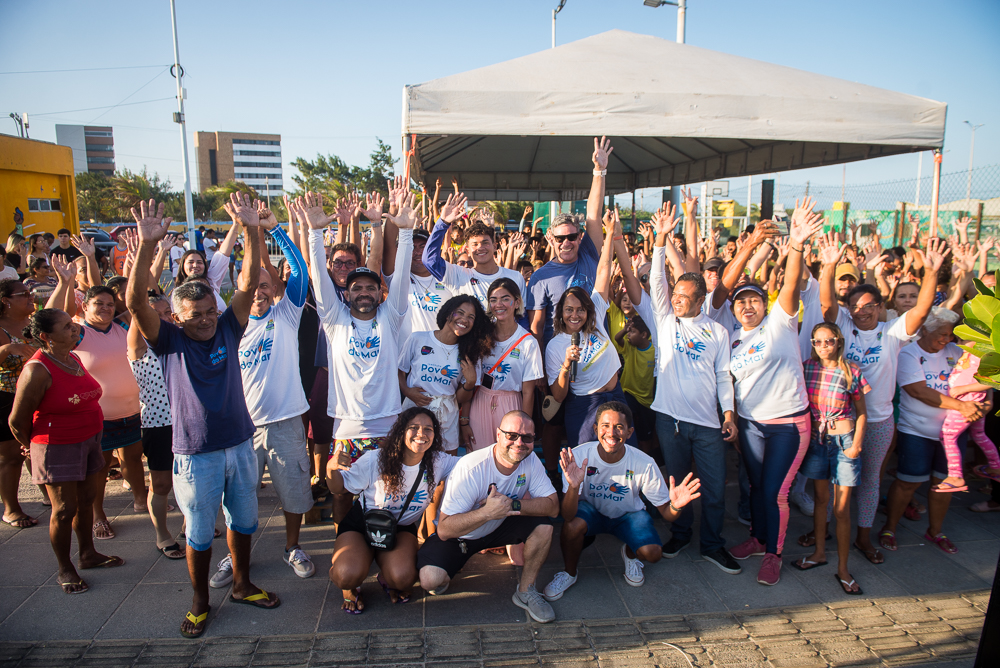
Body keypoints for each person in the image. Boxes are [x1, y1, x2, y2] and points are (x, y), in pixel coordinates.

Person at [126, 195, 277, 640]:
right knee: (197, 532)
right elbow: (135, 301)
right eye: (197, 316)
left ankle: (243, 584)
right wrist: (148, 247)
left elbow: (247, 284)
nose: (208, 321)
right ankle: (199, 602)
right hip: (194, 453)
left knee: (245, 522)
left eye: (212, 312)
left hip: (239, 444)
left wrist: (251, 229)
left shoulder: (230, 325)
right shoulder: (168, 339)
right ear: (177, 316)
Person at [711, 198, 824, 586]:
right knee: (758, 486)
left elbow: (790, 282)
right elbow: (718, 297)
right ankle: (759, 539)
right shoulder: (732, 338)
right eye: (741, 301)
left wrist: (795, 244)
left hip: (788, 426)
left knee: (777, 492)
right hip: (751, 426)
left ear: (765, 303)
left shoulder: (780, 323)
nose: (746, 305)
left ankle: (774, 554)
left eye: (753, 299)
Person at [818, 233, 945, 565]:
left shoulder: (892, 333)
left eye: (869, 306)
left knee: (870, 480)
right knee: (836, 482)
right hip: (840, 421)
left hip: (878, 421)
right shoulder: (842, 326)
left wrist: (931, 271)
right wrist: (829, 265)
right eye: (856, 307)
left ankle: (863, 537)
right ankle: (826, 532)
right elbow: (827, 305)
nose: (862, 312)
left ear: (880, 307)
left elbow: (920, 310)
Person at [293, 189, 415, 519]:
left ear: (380, 293)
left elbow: (401, 276)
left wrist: (405, 233)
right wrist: (314, 233)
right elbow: (318, 275)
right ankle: (346, 543)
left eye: (370, 287)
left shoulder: (391, 318)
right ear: (346, 295)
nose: (363, 292)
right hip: (347, 429)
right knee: (341, 498)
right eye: (356, 288)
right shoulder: (334, 320)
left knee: (389, 496)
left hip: (388, 426)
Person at [646, 202, 740, 574]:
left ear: (701, 300)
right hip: (670, 420)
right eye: (676, 296)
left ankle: (713, 545)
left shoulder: (717, 331)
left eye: (685, 297)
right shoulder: (666, 321)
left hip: (706, 424)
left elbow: (723, 376)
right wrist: (660, 240)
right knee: (677, 483)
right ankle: (681, 533)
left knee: (715, 489)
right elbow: (656, 283)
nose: (677, 301)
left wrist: (728, 414)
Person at [9, 309, 124, 594]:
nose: (75, 330)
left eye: (73, 325)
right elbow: (16, 420)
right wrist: (31, 446)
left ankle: (88, 554)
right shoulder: (37, 370)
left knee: (86, 500)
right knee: (64, 510)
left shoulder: (71, 357)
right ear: (47, 337)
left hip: (89, 440)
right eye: (67, 327)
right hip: (57, 447)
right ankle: (65, 568)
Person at [232, 203, 316, 581]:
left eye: (265, 285)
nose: (259, 292)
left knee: (294, 495)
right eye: (252, 285)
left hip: (285, 424)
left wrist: (275, 228)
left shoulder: (287, 314)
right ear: (241, 288)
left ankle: (292, 547)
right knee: (238, 499)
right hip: (242, 429)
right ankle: (235, 558)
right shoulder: (228, 327)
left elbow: (300, 271)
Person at [543, 402, 702, 600]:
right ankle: (569, 573)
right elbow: (567, 515)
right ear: (595, 429)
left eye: (619, 427)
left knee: (653, 553)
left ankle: (630, 553)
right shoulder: (581, 455)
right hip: (590, 512)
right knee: (572, 526)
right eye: (605, 425)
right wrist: (574, 487)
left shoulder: (644, 462)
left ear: (629, 432)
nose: (611, 433)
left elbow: (667, 515)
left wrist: (675, 506)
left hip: (628, 515)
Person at [417, 410, 559, 623]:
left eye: (527, 437)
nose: (519, 442)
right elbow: (444, 529)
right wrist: (486, 512)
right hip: (461, 535)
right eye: (511, 435)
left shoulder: (530, 461)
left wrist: (512, 504)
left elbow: (553, 507)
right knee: (430, 580)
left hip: (500, 523)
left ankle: (526, 591)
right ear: (498, 435)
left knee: (544, 526)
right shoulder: (472, 467)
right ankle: (449, 567)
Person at [326, 407, 458, 613]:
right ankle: (351, 583)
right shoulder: (375, 459)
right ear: (400, 431)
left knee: (404, 579)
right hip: (362, 525)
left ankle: (386, 577)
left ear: (435, 434)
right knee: (346, 575)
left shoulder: (438, 462)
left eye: (428, 429)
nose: (421, 434)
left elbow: (472, 465)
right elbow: (339, 488)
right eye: (413, 428)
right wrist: (331, 468)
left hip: (400, 528)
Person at [880, 308, 988, 556]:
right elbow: (919, 391)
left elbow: (977, 378)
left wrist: (983, 403)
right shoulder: (908, 353)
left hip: (954, 432)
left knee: (944, 483)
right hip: (916, 430)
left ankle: (935, 531)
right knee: (908, 482)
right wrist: (962, 405)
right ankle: (890, 527)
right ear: (924, 330)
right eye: (941, 334)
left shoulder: (956, 352)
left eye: (950, 335)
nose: (946, 339)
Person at [544, 212, 635, 449]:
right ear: (560, 313)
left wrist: (610, 233)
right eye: (568, 310)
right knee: (586, 464)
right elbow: (559, 396)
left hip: (616, 397)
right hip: (584, 405)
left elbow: (603, 270)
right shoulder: (555, 346)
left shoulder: (596, 316)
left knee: (624, 455)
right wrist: (566, 364)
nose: (575, 315)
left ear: (588, 310)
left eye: (580, 310)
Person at [793, 322, 869, 595]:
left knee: (841, 509)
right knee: (821, 501)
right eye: (818, 342)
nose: (823, 346)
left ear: (838, 341)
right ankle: (819, 553)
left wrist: (857, 444)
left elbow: (862, 412)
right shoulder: (806, 367)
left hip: (844, 442)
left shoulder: (851, 371)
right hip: (817, 441)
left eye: (828, 341)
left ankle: (844, 568)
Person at [126, 291, 184, 559]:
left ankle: (189, 526)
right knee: (161, 484)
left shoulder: (177, 340)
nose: (161, 318)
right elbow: (135, 306)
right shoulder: (139, 348)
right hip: (158, 425)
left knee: (190, 480)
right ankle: (162, 534)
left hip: (188, 421)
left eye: (165, 312)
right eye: (154, 314)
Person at [398, 295, 492, 453]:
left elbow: (461, 399)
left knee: (445, 465)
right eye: (459, 313)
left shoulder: (471, 353)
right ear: (448, 313)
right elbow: (400, 371)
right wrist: (407, 391)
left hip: (447, 415)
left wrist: (469, 383)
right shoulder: (418, 338)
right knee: (407, 456)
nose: (464, 319)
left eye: (471, 317)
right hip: (414, 409)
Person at [468, 278, 544, 452]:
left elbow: (528, 391)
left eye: (505, 298)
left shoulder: (528, 342)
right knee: (479, 457)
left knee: (509, 457)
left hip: (511, 405)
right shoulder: (481, 335)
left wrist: (524, 426)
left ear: (516, 302)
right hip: (480, 402)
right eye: (493, 300)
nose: (498, 304)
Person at [423, 194, 525, 309]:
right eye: (475, 244)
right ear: (467, 249)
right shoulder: (458, 275)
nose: (480, 247)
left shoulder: (515, 277)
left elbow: (522, 316)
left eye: (485, 243)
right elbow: (429, 260)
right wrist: (443, 223)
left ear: (495, 246)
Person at [0, 280, 41, 527]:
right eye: (23, 294)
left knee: (37, 450)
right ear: (5, 300)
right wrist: (8, 347)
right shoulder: (2, 328)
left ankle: (48, 494)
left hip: (36, 394)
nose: (30, 297)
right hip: (7, 398)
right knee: (11, 457)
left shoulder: (33, 322)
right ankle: (11, 508)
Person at [933, 345, 1000, 492]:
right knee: (979, 435)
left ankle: (955, 476)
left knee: (947, 435)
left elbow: (992, 381)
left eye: (965, 339)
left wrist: (963, 389)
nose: (960, 342)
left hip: (967, 403)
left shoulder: (981, 354)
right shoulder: (967, 352)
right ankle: (995, 467)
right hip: (973, 401)